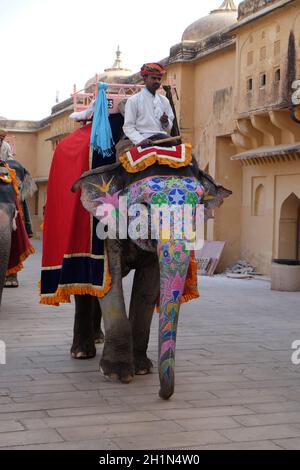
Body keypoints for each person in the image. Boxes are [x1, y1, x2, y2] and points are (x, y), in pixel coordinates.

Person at [123, 63, 175, 146]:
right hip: (143, 139)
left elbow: (169, 128)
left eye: (159, 79)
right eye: (154, 78)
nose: (157, 81)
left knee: (187, 156)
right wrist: (141, 140)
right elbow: (128, 127)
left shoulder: (165, 101)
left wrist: (165, 122)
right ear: (145, 79)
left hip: (163, 139)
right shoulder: (133, 100)